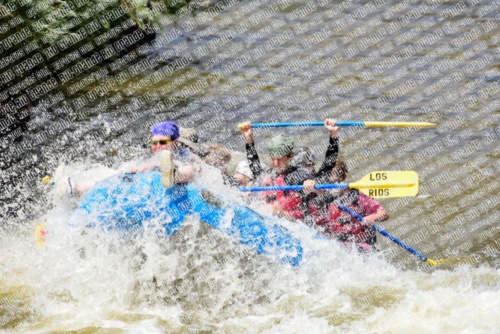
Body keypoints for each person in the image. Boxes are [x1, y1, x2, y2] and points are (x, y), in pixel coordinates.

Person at [306, 160, 389, 251]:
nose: (328, 178)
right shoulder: (319, 194)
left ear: (343, 177)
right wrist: (307, 183)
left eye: (333, 174)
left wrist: (372, 217)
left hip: (362, 247)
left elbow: (384, 214)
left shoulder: (358, 196)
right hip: (339, 246)